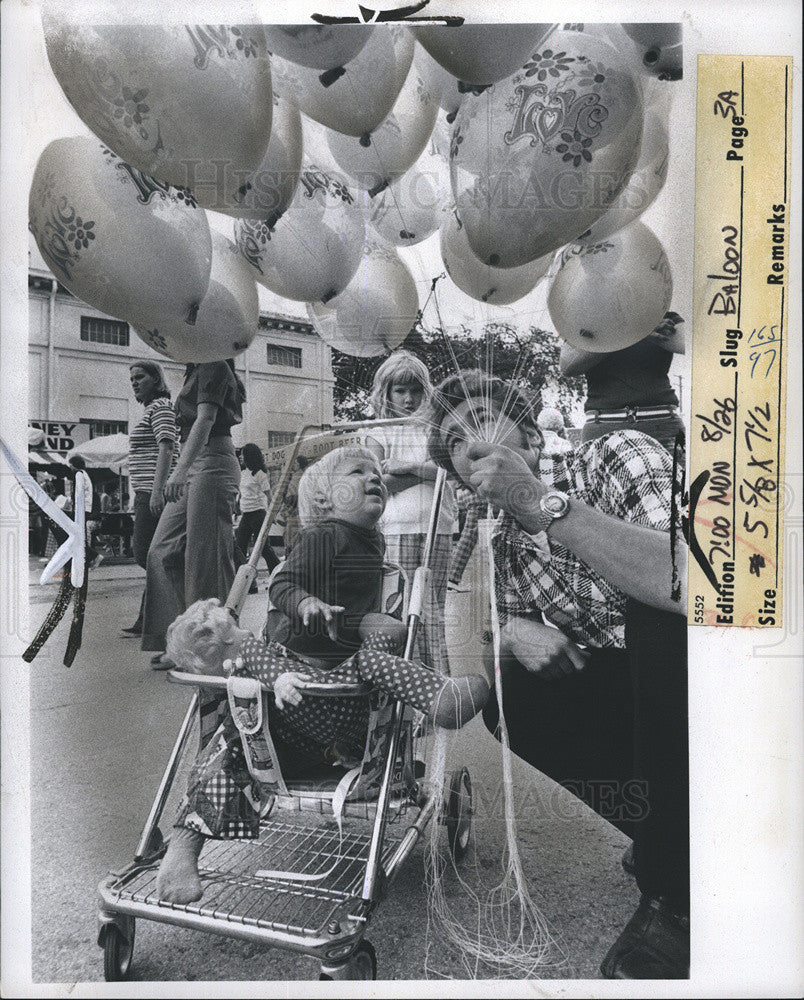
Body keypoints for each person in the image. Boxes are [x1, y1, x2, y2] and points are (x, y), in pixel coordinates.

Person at [426, 369, 689, 980]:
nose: (467, 443)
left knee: (652, 619)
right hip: (644, 698)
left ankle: (674, 896)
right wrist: (512, 631)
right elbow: (500, 621)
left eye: (482, 421)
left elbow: (690, 582)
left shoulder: (611, 457)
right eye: (452, 442)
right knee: (512, 690)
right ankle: (669, 840)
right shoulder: (505, 545)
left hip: (715, 680)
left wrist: (540, 505)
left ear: (534, 440)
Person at [154, 447, 489, 905]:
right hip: (295, 689)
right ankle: (182, 847)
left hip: (335, 703)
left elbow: (351, 620)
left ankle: (438, 698)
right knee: (230, 747)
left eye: (377, 473)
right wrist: (306, 604)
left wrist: (368, 627)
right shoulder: (326, 536)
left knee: (377, 651)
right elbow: (282, 584)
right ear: (326, 501)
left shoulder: (372, 541)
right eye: (358, 472)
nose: (375, 478)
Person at [142, 360, 244, 669]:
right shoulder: (197, 368)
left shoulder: (214, 363)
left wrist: (179, 471)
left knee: (205, 559)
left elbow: (205, 420)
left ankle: (207, 647)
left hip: (212, 460)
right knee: (161, 552)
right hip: (195, 460)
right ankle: (178, 640)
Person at [366, 351, 455, 675]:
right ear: (386, 392)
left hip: (437, 527)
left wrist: (408, 468)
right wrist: (425, 471)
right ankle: (405, 689)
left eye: (415, 390)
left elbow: (452, 470)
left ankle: (439, 688)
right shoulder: (380, 429)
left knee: (432, 611)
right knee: (399, 612)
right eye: (400, 391)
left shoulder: (436, 427)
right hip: (396, 527)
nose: (408, 398)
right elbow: (376, 482)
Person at [559, 311, 686, 454]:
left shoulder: (665, 317)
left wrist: (613, 335)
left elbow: (689, 345)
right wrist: (634, 332)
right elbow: (567, 364)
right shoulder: (588, 322)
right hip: (606, 428)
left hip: (661, 427)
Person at [121, 361, 178, 636]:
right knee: (154, 556)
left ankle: (163, 616)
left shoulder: (161, 407)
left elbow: (167, 448)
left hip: (156, 492)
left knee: (148, 554)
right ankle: (147, 618)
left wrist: (157, 491)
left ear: (156, 380)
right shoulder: (151, 410)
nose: (134, 382)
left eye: (140, 377)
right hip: (145, 491)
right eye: (132, 378)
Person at [234, 442, 279, 593]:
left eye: (243, 454)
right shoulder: (243, 473)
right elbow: (241, 494)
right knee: (239, 547)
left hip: (258, 513)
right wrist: (236, 507)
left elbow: (269, 495)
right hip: (246, 515)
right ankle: (249, 584)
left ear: (250, 456)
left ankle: (278, 576)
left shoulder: (260, 474)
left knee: (263, 548)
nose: (240, 457)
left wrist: (273, 513)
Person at [68, 454, 102, 570]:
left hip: (81, 510)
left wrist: (73, 506)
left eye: (70, 465)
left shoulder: (79, 474)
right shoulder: (85, 475)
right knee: (78, 536)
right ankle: (86, 559)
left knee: (76, 536)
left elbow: (78, 493)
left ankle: (94, 556)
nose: (70, 467)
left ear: (74, 465)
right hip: (85, 509)